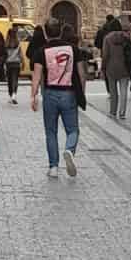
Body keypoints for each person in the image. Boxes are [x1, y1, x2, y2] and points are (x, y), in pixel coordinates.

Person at [32, 17, 85, 178]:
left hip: (50, 93)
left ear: (46, 34)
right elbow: (82, 74)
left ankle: (53, 167)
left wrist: (33, 95)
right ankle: (69, 149)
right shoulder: (73, 49)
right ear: (60, 31)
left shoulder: (41, 51)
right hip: (69, 93)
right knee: (73, 129)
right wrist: (81, 92)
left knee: (51, 131)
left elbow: (37, 76)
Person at [101, 15, 131, 122]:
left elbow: (105, 55)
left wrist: (103, 67)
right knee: (124, 91)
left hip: (111, 67)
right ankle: (122, 112)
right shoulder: (126, 37)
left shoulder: (107, 38)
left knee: (113, 90)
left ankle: (113, 112)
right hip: (124, 66)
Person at [3, 26, 23, 103]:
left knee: (9, 80)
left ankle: (10, 95)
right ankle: (14, 95)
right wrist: (22, 62)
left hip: (8, 64)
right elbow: (20, 55)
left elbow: (4, 55)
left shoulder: (6, 44)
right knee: (15, 80)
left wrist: (3, 64)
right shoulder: (18, 43)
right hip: (16, 63)